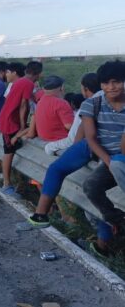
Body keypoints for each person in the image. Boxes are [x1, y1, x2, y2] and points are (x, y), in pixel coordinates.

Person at [24, 73, 99, 229]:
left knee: (53, 180)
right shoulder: (62, 104)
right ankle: (74, 223)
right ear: (61, 88)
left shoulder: (41, 101)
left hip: (48, 146)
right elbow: (70, 130)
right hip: (62, 147)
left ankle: (49, 214)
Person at [80, 60, 125, 238]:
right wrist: (109, 161)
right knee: (91, 187)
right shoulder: (92, 104)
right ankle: (119, 220)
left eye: (116, 82)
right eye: (106, 83)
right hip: (111, 159)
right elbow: (90, 138)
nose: (111, 87)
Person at [0, 61, 42, 197]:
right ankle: (6, 184)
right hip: (10, 121)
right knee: (9, 151)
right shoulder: (28, 83)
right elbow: (23, 105)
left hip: (8, 118)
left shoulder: (21, 81)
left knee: (11, 148)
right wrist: (23, 125)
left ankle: (12, 182)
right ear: (39, 73)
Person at [30, 76, 74, 142]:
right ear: (61, 88)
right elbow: (69, 126)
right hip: (60, 140)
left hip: (44, 139)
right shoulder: (61, 103)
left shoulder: (41, 101)